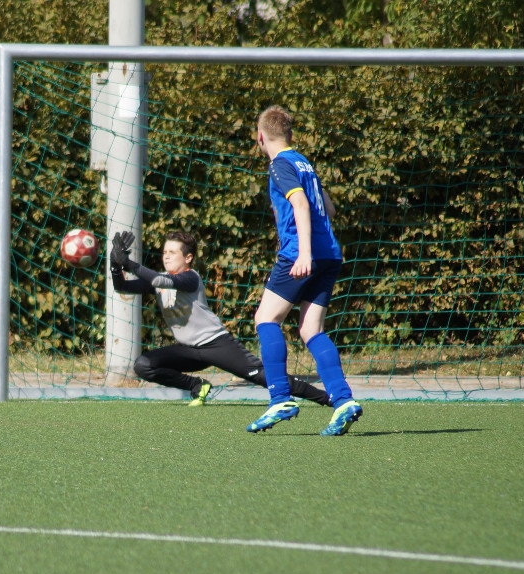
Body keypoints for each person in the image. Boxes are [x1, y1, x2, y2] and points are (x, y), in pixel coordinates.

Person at [109, 229, 331, 408]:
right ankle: (197, 385)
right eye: (165, 251)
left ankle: (327, 399)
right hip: (188, 350)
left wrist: (129, 264)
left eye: (172, 252)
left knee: (265, 377)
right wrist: (115, 265)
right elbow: (122, 287)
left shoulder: (189, 277)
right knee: (144, 365)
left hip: (216, 344)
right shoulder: (160, 278)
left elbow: (159, 281)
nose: (166, 255)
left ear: (188, 258)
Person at [247, 104, 362, 436]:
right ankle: (343, 401)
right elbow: (329, 206)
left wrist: (304, 253)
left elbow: (299, 204)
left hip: (302, 253)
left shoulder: (279, 164)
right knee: (311, 328)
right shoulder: (304, 162)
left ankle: (280, 398)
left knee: (265, 319)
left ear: (260, 137)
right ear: (291, 134)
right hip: (330, 254)